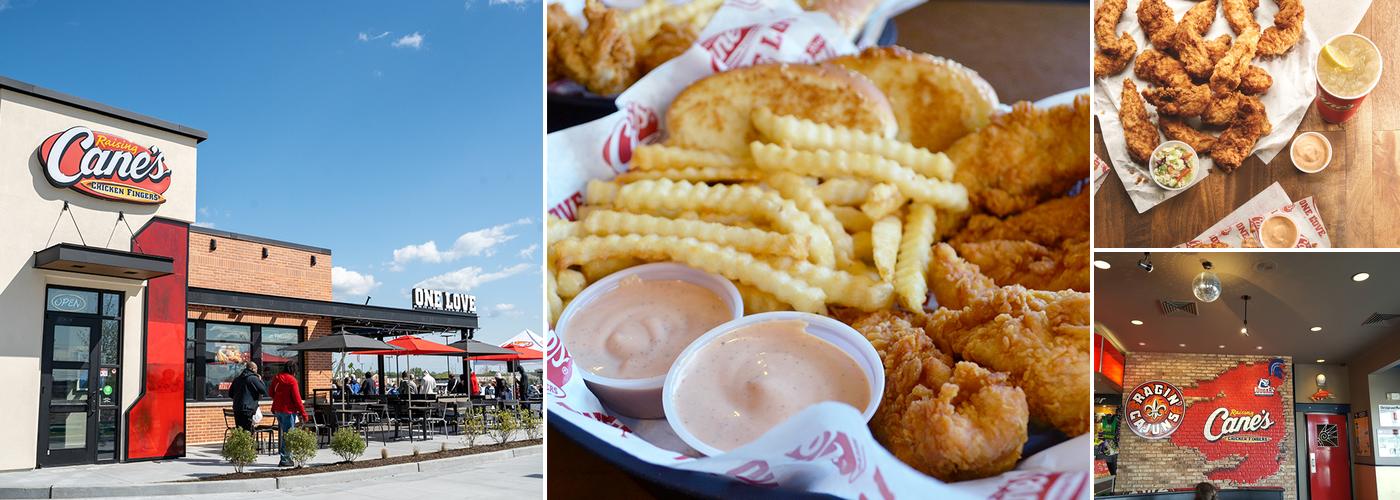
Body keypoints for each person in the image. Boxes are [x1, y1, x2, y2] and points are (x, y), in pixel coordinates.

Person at [270, 361, 309, 467]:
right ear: (294, 370)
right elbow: (297, 399)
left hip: (278, 410)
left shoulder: (277, 377)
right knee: (289, 435)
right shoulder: (292, 381)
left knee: (285, 434)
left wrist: (278, 399)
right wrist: (304, 414)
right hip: (289, 411)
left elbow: (270, 392)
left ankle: (285, 457)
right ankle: (285, 459)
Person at [228, 361, 267, 433]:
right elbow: (263, 390)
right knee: (248, 431)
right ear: (252, 369)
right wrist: (260, 380)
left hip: (237, 408)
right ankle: (248, 444)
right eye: (256, 369)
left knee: (240, 431)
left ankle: (241, 444)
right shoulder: (253, 378)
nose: (257, 371)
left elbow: (230, 394)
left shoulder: (237, 379)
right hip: (248, 409)